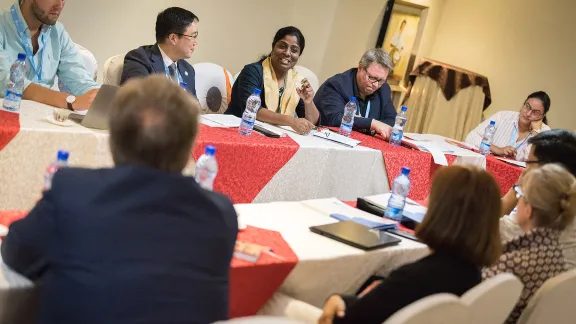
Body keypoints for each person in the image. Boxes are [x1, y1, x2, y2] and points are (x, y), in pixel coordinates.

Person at [1, 76, 238, 324]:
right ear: (189, 147)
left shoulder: (72, 192)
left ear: (114, 141)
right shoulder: (220, 214)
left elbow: (16, 253)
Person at [319, 165, 502, 324]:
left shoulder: (413, 278)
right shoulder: (473, 275)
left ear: (441, 212)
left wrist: (336, 299)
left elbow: (348, 319)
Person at [484, 164, 576, 323]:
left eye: (520, 194)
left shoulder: (512, 265)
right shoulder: (558, 258)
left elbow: (474, 307)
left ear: (529, 210)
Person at [0, 0, 99, 110]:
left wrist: (98, 97)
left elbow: (80, 78)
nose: (60, 5)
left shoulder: (57, 32)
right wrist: (69, 101)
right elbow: (5, 80)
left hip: (42, 119)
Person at [500, 129, 576, 268]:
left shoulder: (543, 212)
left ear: (548, 169)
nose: (524, 169)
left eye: (529, 162)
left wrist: (516, 189)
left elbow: (487, 227)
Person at [225, 26, 319, 135]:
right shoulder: (253, 71)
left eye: (294, 50)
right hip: (237, 131)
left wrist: (309, 102)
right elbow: (252, 110)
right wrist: (290, 121)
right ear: (273, 46)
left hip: (272, 137)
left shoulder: (297, 81)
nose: (287, 53)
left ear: (299, 55)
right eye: (282, 46)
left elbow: (310, 123)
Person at [314, 49, 397, 139]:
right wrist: (372, 124)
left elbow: (392, 121)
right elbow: (335, 119)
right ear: (360, 68)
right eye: (372, 77)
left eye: (381, 80)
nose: (376, 85)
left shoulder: (384, 89)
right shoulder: (336, 85)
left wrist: (363, 123)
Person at [121, 7, 197, 96]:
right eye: (193, 36)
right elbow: (136, 101)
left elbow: (194, 106)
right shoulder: (139, 59)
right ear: (173, 38)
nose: (195, 43)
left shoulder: (188, 69)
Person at [465, 91, 552, 161]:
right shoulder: (502, 116)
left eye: (535, 112)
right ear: (523, 104)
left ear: (542, 116)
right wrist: (498, 150)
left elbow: (533, 161)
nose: (528, 113)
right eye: (527, 106)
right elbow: (471, 137)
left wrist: (536, 132)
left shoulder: (545, 132)